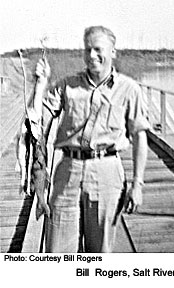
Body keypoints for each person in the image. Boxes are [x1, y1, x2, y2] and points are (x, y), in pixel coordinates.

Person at [31, 26, 150, 252]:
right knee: (57, 250)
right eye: (87, 50)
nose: (92, 55)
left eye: (98, 49)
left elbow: (139, 136)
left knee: (100, 252)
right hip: (68, 171)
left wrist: (138, 184)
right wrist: (40, 85)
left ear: (113, 52)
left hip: (107, 173)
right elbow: (37, 119)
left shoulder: (129, 89)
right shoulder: (67, 85)